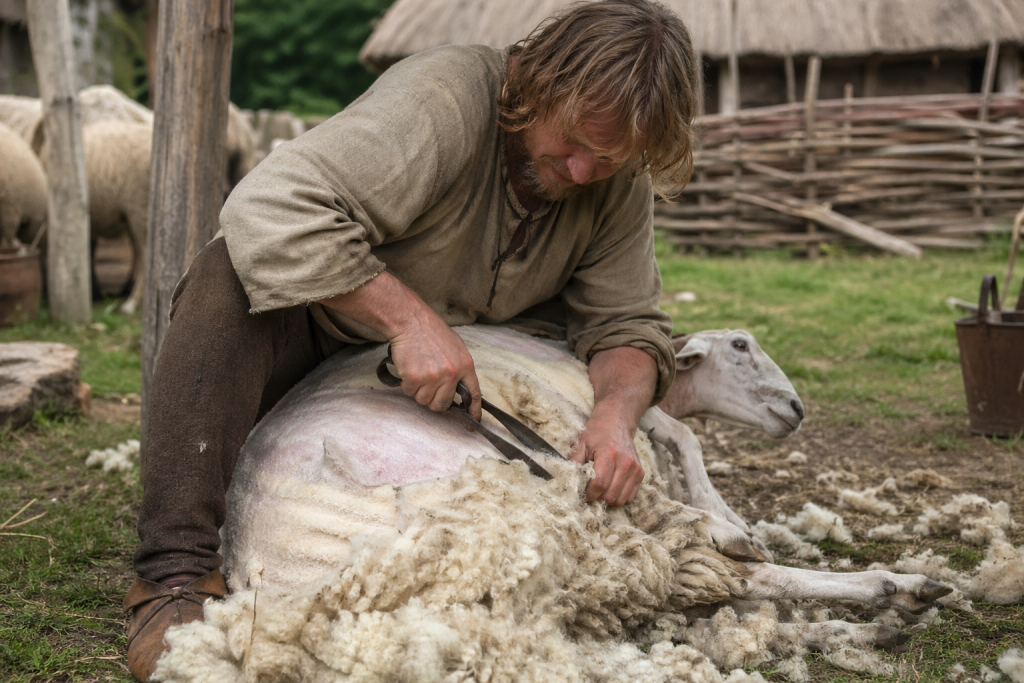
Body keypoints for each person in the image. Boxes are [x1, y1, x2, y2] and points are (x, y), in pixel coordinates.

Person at [123, 0, 699, 679]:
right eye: (573, 142)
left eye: (606, 159)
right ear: (539, 83)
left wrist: (615, 415)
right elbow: (270, 206)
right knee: (226, 278)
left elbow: (628, 322)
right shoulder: (442, 98)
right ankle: (175, 573)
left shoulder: (614, 177)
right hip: (323, 325)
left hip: (482, 357)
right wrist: (406, 319)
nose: (580, 172)